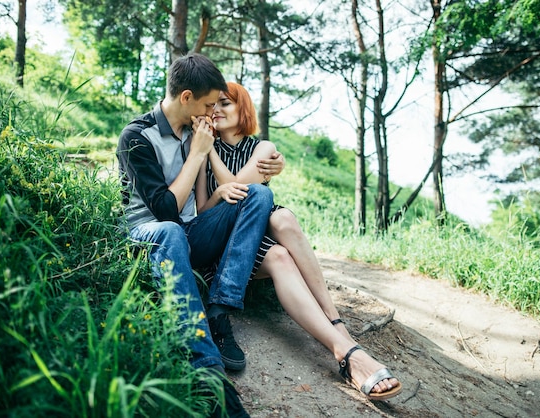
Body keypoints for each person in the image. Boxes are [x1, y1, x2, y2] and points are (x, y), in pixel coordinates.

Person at [195, 81, 402, 401]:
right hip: (222, 244)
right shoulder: (201, 148)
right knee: (278, 248)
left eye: (226, 104)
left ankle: (338, 330)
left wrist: (213, 160)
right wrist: (206, 152)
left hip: (254, 232)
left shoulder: (262, 149)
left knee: (281, 219)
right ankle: (345, 348)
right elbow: (204, 210)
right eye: (214, 105)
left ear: (243, 108)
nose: (217, 110)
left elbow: (240, 190)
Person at [116, 54, 283, 417]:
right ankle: (207, 371)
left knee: (259, 195)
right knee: (171, 230)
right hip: (150, 238)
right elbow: (165, 212)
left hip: (190, 233)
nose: (213, 113)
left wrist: (273, 166)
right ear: (187, 97)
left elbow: (247, 163)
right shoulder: (136, 136)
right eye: (209, 104)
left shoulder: (199, 129)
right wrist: (197, 155)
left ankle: (220, 308)